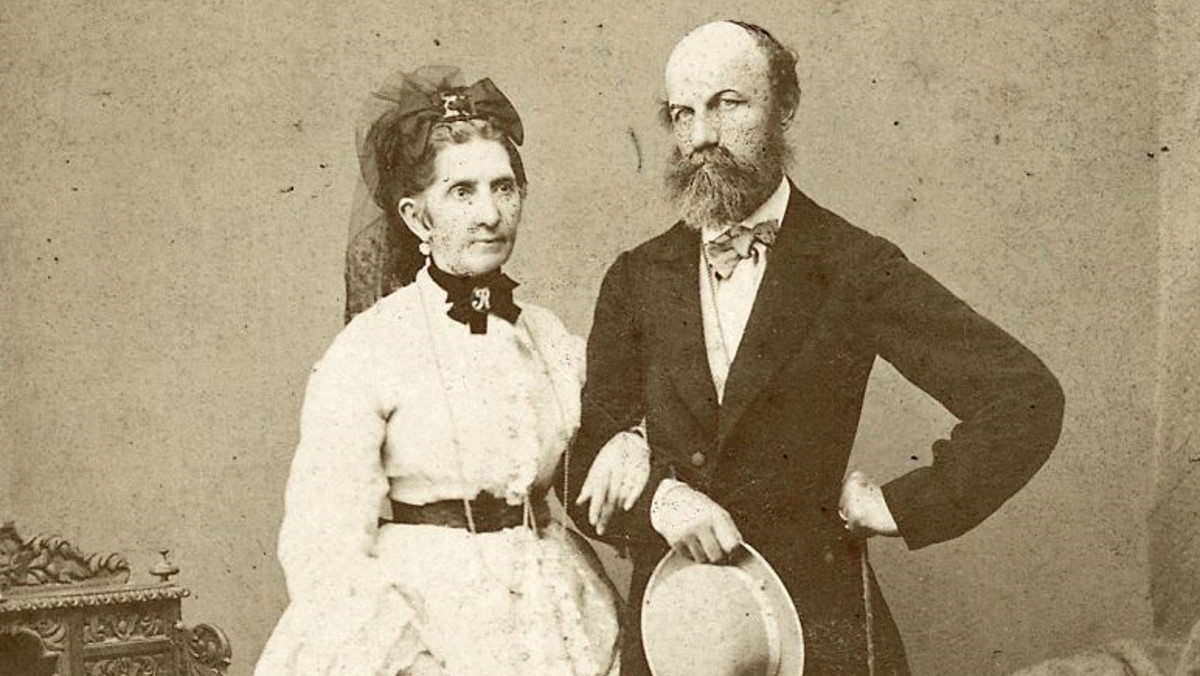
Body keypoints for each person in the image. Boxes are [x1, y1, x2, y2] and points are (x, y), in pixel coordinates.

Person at [567, 21, 1066, 676]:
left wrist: (902, 505)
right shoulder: (638, 277)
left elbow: (1024, 398)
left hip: (819, 626)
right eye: (683, 114)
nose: (702, 137)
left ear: (786, 105)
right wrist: (661, 500)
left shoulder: (852, 264)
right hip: (675, 632)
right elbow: (579, 469)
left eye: (728, 104)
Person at [255, 65, 639, 676]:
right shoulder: (371, 348)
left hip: (556, 605)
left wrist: (631, 439)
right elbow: (323, 544)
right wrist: (407, 661)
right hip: (429, 615)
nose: (490, 214)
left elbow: (607, 431)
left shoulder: (547, 337)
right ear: (416, 218)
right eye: (462, 192)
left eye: (504, 187)